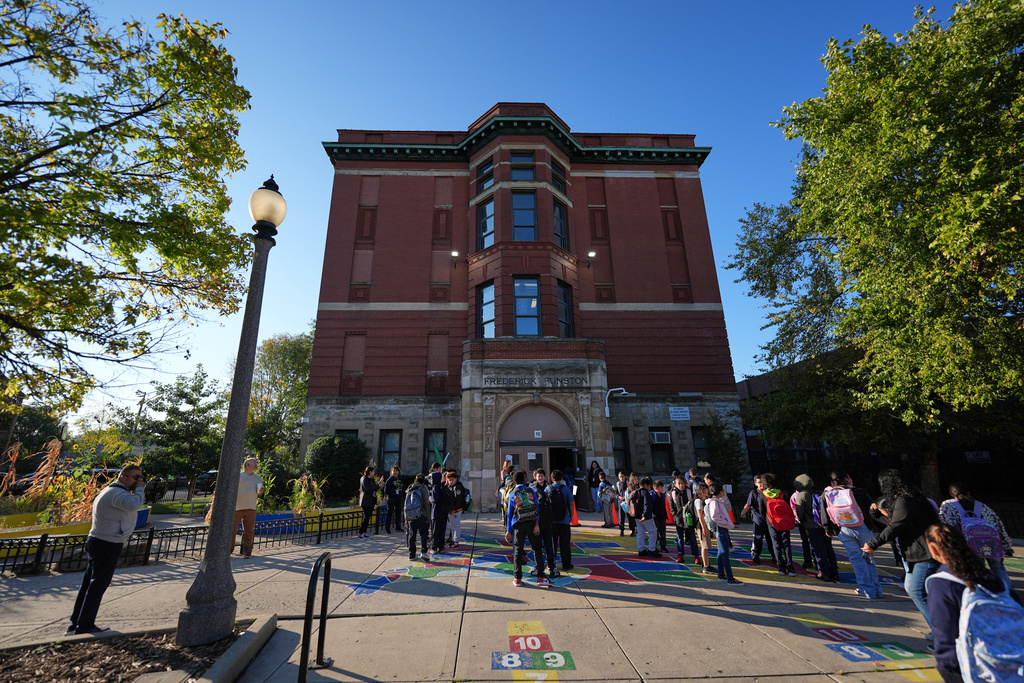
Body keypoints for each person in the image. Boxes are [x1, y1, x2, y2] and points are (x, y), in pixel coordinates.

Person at [924, 523, 1024, 683]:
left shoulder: (942, 582)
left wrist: (951, 672)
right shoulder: (993, 579)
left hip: (976, 670)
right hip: (1014, 664)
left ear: (933, 549)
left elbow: (944, 637)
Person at [67, 464, 147, 635]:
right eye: (136, 477)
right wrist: (140, 490)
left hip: (101, 541)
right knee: (97, 585)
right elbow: (133, 505)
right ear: (123, 477)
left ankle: (76, 623)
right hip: (107, 543)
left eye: (140, 478)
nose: (139, 481)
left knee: (90, 584)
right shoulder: (116, 493)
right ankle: (85, 625)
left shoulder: (111, 491)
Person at [864, 469, 940, 635]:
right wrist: (876, 515)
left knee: (916, 591)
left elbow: (895, 526)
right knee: (914, 589)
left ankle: (942, 634)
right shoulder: (915, 498)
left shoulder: (905, 500)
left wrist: (873, 544)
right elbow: (896, 523)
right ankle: (941, 629)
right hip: (922, 551)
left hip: (925, 553)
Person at [938, 482, 1014, 590]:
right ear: (968, 493)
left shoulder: (948, 506)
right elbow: (998, 525)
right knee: (999, 570)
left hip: (970, 547)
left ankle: (980, 593)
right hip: (992, 544)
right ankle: (1009, 593)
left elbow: (947, 526)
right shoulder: (982, 506)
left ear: (951, 493)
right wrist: (1006, 546)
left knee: (977, 571)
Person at [819, 470, 880, 596]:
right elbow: (872, 509)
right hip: (863, 527)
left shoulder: (827, 494)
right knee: (869, 557)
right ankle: (877, 589)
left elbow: (824, 514)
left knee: (857, 559)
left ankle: (867, 589)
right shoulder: (858, 491)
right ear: (846, 478)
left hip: (843, 528)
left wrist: (828, 529)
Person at [506, 470, 548, 586]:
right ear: (525, 480)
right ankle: (541, 577)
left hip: (518, 524)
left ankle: (517, 578)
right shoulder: (530, 491)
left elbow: (509, 514)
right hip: (531, 523)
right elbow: (536, 508)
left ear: (514, 481)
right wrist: (537, 525)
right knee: (537, 549)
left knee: (518, 551)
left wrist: (508, 530)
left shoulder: (512, 493)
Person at [793, 474, 838, 581]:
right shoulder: (818, 493)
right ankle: (834, 571)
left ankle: (823, 572)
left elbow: (800, 513)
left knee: (818, 549)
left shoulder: (802, 495)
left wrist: (802, 522)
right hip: (823, 525)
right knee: (828, 548)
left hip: (811, 526)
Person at [759, 472, 796, 576]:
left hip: (772, 523)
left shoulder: (763, 495)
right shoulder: (782, 494)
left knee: (776, 544)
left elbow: (762, 511)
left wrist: (767, 520)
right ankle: (790, 567)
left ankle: (781, 567)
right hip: (784, 522)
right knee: (786, 544)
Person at [706, 482, 742, 585]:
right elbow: (714, 516)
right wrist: (725, 523)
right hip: (721, 528)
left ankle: (721, 574)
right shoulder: (714, 502)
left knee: (721, 553)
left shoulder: (716, 501)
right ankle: (730, 578)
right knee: (725, 553)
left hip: (722, 528)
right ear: (720, 492)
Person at [740, 474, 777, 566]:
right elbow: (748, 504)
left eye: (762, 482)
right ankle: (756, 554)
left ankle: (774, 555)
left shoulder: (769, 492)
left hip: (769, 519)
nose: (761, 484)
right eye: (759, 482)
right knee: (757, 537)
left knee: (771, 538)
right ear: (755, 483)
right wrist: (744, 512)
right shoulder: (754, 493)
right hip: (758, 519)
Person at [529, 468, 558, 578]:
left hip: (544, 521)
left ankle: (547, 567)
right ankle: (545, 567)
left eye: (542, 475)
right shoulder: (539, 488)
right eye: (538, 476)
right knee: (541, 546)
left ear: (545, 477)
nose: (540, 478)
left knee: (546, 546)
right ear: (535, 477)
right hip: (541, 521)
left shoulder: (544, 488)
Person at [234, 457, 265, 556]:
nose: (256, 465)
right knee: (232, 530)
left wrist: (261, 491)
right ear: (247, 465)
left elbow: (259, 490)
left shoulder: (257, 477)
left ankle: (247, 551)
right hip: (237, 507)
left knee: (249, 531)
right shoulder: (238, 476)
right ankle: (228, 550)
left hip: (251, 507)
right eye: (254, 463)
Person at [548, 469, 575, 571]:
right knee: (565, 543)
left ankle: (551, 563)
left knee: (551, 543)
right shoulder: (566, 489)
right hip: (564, 519)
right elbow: (571, 503)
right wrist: (571, 516)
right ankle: (566, 564)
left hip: (552, 521)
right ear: (562, 479)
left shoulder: (548, 489)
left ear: (552, 479)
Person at [669, 475, 699, 564]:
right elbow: (672, 506)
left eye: (682, 483)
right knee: (680, 538)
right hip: (679, 518)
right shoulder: (673, 493)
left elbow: (692, 504)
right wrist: (675, 515)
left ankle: (696, 556)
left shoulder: (689, 492)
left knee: (692, 537)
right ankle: (680, 555)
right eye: (679, 483)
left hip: (689, 517)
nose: (681, 485)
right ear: (675, 485)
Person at [791, 475, 816, 572]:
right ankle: (817, 562)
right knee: (815, 543)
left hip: (804, 522)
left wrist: (798, 518)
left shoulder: (797, 496)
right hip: (816, 523)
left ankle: (808, 561)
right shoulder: (815, 493)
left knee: (806, 542)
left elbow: (795, 508)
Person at [404, 474, 429, 560]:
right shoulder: (422, 489)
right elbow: (426, 504)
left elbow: (405, 506)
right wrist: (428, 518)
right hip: (421, 515)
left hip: (410, 516)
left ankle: (411, 554)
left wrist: (406, 520)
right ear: (423, 483)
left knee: (412, 535)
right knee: (424, 534)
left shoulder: (409, 489)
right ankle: (423, 552)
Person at [429, 466, 454, 554]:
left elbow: (435, 499)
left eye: (432, 478)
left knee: (435, 530)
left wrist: (430, 498)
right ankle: (441, 547)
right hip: (444, 511)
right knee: (442, 530)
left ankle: (434, 547)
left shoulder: (435, 487)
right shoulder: (443, 487)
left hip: (436, 511)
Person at [634, 477, 659, 557]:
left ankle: (641, 550)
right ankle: (652, 549)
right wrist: (645, 515)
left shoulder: (636, 492)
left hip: (636, 516)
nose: (649, 488)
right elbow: (646, 504)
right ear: (645, 485)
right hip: (645, 517)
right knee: (653, 531)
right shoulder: (645, 493)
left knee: (640, 533)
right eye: (649, 486)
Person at [693, 483, 714, 574]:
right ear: (700, 492)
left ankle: (707, 564)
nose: (706, 494)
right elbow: (700, 515)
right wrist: (704, 527)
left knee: (706, 545)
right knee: (704, 545)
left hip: (704, 525)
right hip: (701, 525)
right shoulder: (698, 501)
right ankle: (706, 566)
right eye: (705, 493)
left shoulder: (702, 500)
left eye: (707, 493)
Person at [446, 470, 468, 548]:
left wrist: (453, 510)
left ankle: (456, 541)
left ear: (456, 479)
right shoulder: (451, 487)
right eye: (449, 480)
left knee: (456, 525)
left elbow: (458, 500)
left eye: (452, 479)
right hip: (452, 510)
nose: (451, 481)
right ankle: (453, 540)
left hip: (456, 510)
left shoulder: (458, 487)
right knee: (452, 526)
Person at [357, 466, 379, 539]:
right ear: (370, 472)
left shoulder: (372, 479)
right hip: (366, 501)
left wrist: (379, 484)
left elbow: (374, 489)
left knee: (368, 517)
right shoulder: (364, 479)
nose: (374, 473)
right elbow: (368, 489)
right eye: (373, 471)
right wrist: (378, 485)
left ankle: (365, 532)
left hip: (371, 500)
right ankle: (361, 533)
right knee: (366, 517)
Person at [383, 466, 404, 534]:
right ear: (391, 472)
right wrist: (394, 494)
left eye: (396, 471)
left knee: (398, 513)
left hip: (398, 499)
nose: (395, 472)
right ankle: (387, 529)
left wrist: (401, 494)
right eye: (393, 471)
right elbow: (386, 491)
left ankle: (398, 527)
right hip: (391, 499)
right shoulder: (389, 480)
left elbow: (403, 488)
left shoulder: (400, 479)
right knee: (389, 513)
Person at [614, 471, 635, 536]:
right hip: (621, 502)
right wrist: (619, 497)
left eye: (622, 476)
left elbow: (631, 492)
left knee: (630, 517)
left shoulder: (628, 483)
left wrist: (627, 497)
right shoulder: (617, 484)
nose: (622, 478)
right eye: (620, 477)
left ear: (625, 476)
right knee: (621, 517)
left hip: (628, 502)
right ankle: (621, 530)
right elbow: (615, 493)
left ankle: (632, 529)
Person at [652, 480, 669, 553]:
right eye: (661, 487)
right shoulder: (652, 495)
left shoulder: (663, 495)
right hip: (655, 517)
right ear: (656, 488)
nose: (662, 489)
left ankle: (663, 546)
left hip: (662, 516)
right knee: (655, 532)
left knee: (663, 533)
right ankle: (654, 546)